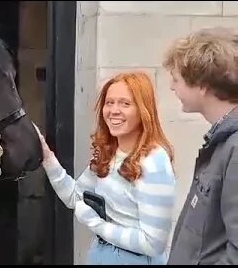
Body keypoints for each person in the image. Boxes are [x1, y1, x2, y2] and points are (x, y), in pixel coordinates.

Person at [34, 72, 176, 265]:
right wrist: (48, 158)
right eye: (109, 103)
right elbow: (75, 197)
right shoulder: (108, 153)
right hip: (101, 253)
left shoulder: (154, 161)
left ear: (143, 110)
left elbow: (153, 243)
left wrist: (97, 224)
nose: (114, 110)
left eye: (125, 103)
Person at [163, 27, 238, 265]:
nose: (172, 87)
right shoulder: (221, 143)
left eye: (176, 79)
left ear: (202, 84)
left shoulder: (234, 149)